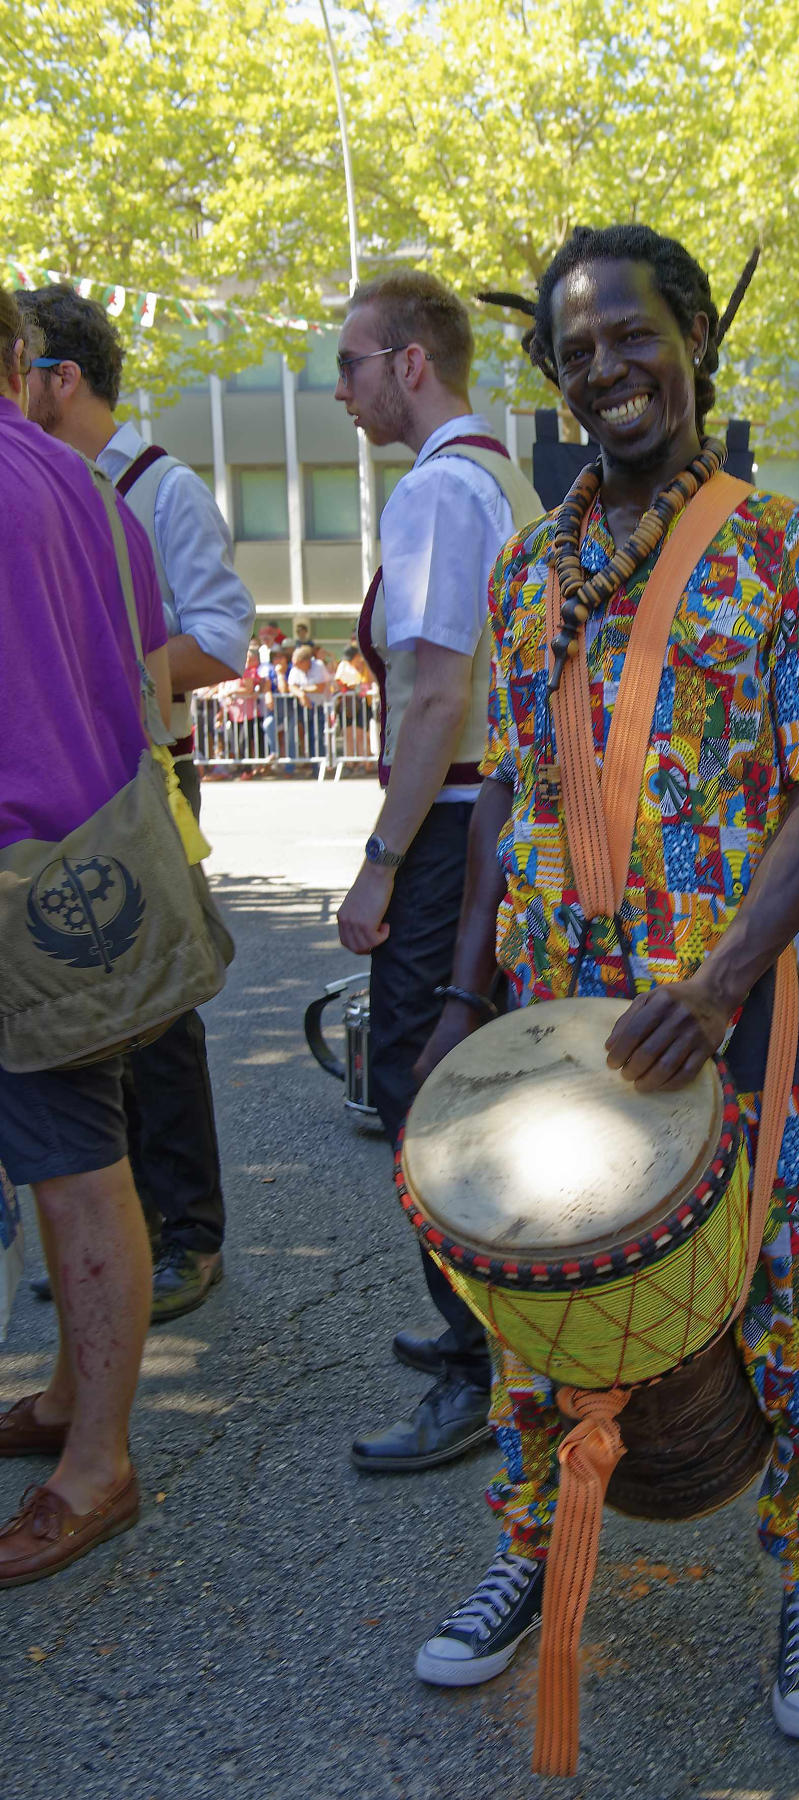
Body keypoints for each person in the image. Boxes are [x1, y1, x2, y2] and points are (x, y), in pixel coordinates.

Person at [411, 224, 799, 1741]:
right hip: (552, 1023)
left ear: (692, 342)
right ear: (551, 376)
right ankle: (525, 1551)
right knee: (534, 1297)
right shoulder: (530, 566)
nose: (607, 364)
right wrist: (462, 1000)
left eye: (633, 333)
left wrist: (729, 982)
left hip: (715, 1019)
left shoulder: (784, 550)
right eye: (577, 346)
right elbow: (502, 798)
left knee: (790, 1298)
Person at [332, 271, 543, 1473]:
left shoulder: (434, 493)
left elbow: (434, 700)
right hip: (498, 818)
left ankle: (476, 1366)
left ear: (410, 363)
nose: (345, 394)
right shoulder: (500, 475)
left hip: (460, 813)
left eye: (352, 368)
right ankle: (488, 1329)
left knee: (429, 1097)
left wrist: (377, 864)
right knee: (473, 1084)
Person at [21, 283, 253, 1322]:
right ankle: (112, 1242)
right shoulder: (39, 480)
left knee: (159, 1012)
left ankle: (187, 1234)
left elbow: (223, 635)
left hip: (143, 780)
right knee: (71, 1024)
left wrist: (92, 662)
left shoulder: (160, 488)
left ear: (56, 377)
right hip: (68, 786)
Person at [0, 291, 165, 1581]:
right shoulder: (98, 490)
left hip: (9, 861)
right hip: (94, 861)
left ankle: (97, 1462)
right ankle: (74, 1416)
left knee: (67, 1161)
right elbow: (148, 674)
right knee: (79, 1154)